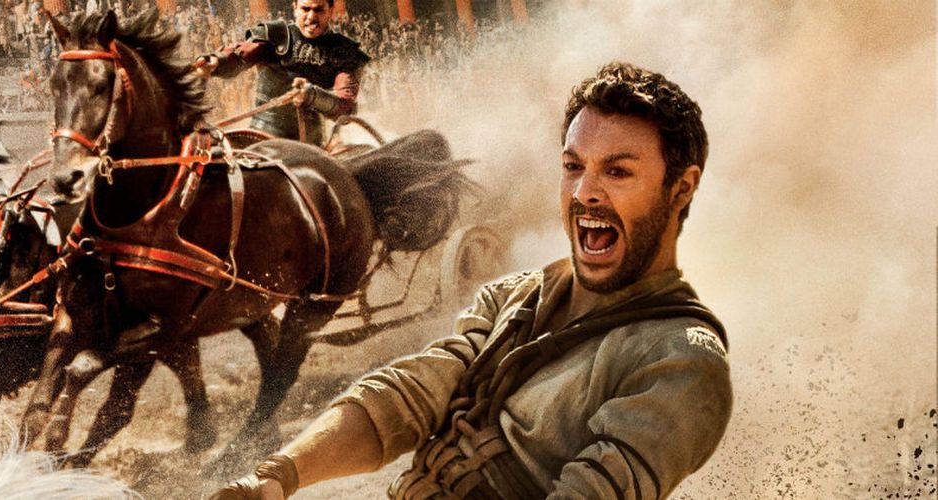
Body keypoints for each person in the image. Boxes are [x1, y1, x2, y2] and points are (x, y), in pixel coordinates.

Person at [211, 61, 728, 499]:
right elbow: (414, 392)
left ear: (681, 189)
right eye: (574, 166)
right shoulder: (515, 296)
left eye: (617, 172)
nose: (583, 193)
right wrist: (273, 479)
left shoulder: (681, 359)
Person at [193, 0, 369, 146]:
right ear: (295, 8)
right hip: (261, 136)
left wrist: (312, 96)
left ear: (330, 10)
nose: (311, 17)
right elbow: (241, 56)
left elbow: (345, 105)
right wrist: (216, 62)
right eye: (305, 9)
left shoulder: (344, 50)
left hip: (310, 146)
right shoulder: (277, 35)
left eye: (318, 10)